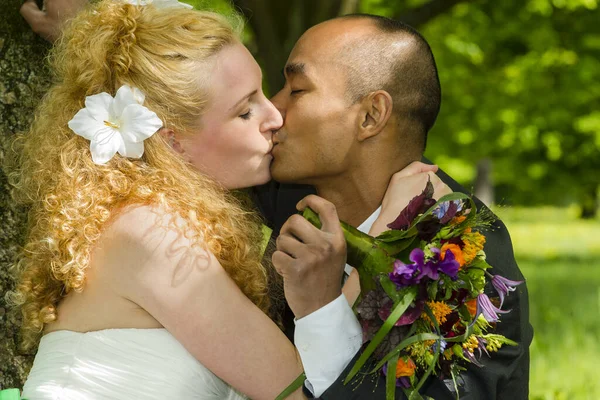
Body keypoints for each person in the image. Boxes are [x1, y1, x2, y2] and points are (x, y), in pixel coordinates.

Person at [9, 1, 451, 399]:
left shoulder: (159, 221)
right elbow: (302, 387)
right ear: (172, 141)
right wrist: (390, 231)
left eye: (265, 91)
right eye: (245, 110)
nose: (275, 116)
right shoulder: (151, 234)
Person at [265, 14, 534, 400]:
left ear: (371, 115)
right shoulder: (286, 191)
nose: (272, 111)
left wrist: (322, 309)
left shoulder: (468, 258)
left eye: (296, 89)